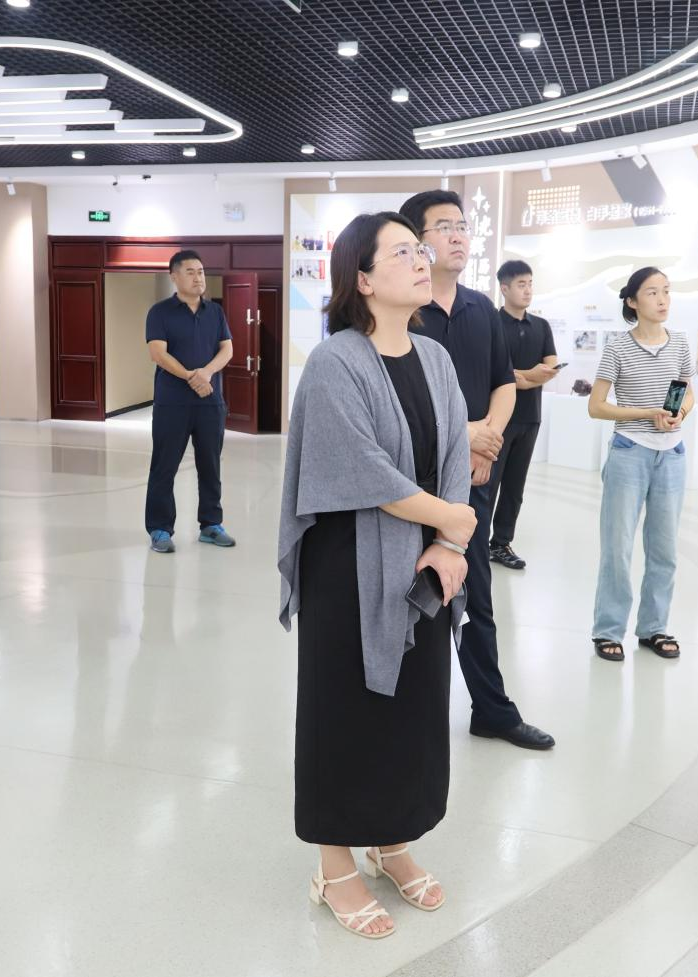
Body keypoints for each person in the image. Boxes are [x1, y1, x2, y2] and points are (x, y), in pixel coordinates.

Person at [279, 212, 478, 939]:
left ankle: (391, 841)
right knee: (346, 712)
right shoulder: (335, 361)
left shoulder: (436, 358)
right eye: (402, 251)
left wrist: (449, 544)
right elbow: (360, 469)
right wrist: (450, 519)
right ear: (361, 279)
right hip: (347, 565)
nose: (422, 259)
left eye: (420, 249)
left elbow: (454, 452)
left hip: (426, 564)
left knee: (413, 710)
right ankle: (334, 866)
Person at [400, 189, 554, 751]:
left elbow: (503, 384)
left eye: (462, 225)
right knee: (406, 595)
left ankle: (491, 710)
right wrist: (462, 438)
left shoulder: (480, 309)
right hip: (410, 483)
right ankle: (401, 714)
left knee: (476, 596)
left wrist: (485, 445)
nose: (459, 235)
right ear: (416, 242)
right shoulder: (402, 312)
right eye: (444, 226)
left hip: (472, 480)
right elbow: (397, 403)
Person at [587, 268, 693, 664]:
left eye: (666, 291)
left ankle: (654, 627)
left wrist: (679, 413)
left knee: (664, 549)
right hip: (630, 450)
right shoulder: (618, 346)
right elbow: (597, 406)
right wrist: (647, 413)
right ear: (632, 301)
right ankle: (608, 630)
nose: (663, 299)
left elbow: (688, 393)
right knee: (618, 548)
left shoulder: (679, 342)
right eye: (652, 293)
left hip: (672, 454)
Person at [144, 250, 236, 553]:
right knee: (164, 467)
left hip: (210, 402)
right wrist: (189, 376)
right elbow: (158, 353)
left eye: (201, 271)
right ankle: (160, 529)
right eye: (190, 272)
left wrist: (206, 373)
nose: (198, 278)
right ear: (174, 276)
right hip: (172, 404)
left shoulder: (215, 312)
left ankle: (211, 524)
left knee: (210, 466)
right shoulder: (160, 312)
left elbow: (227, 349)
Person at [488, 260, 558, 571]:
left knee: (514, 487)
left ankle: (501, 543)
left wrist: (521, 377)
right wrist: (530, 376)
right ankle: (473, 543)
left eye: (530, 283)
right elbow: (493, 370)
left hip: (530, 417)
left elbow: (551, 368)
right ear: (504, 288)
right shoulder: (491, 323)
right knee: (488, 484)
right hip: (497, 419)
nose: (528, 290)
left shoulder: (541, 326)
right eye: (521, 284)